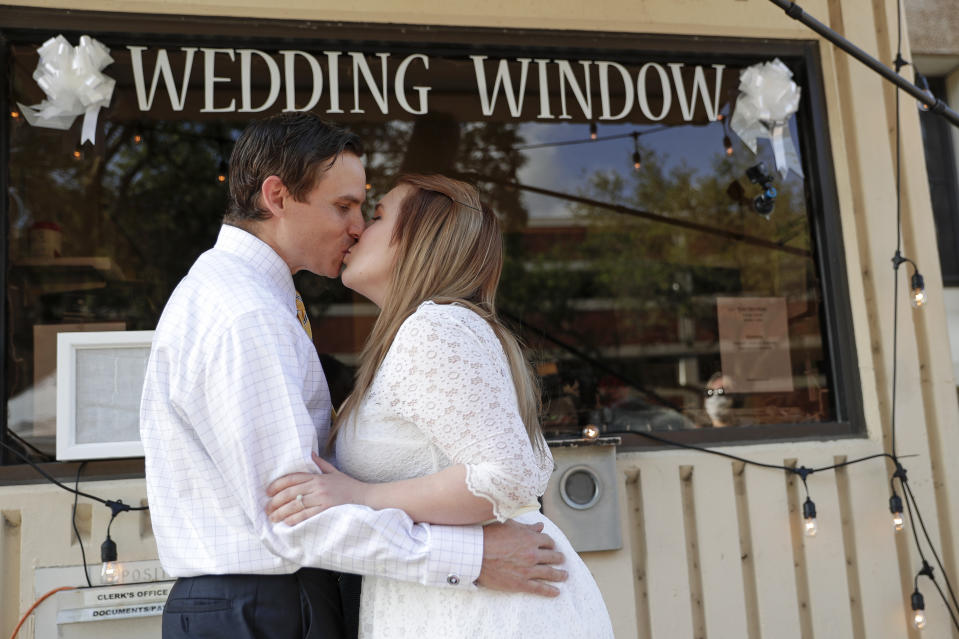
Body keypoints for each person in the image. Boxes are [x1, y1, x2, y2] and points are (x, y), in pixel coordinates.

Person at [139, 114, 566, 639]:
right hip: (260, 606)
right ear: (277, 197)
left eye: (366, 210)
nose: (357, 225)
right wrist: (473, 556)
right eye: (343, 206)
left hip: (268, 600)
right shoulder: (245, 313)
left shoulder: (255, 300)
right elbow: (295, 515)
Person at [265, 175, 614, 638]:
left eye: (376, 216)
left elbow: (507, 475)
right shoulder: (423, 332)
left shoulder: (437, 328)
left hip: (490, 613)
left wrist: (362, 495)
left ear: (418, 240)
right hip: (459, 599)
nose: (355, 230)